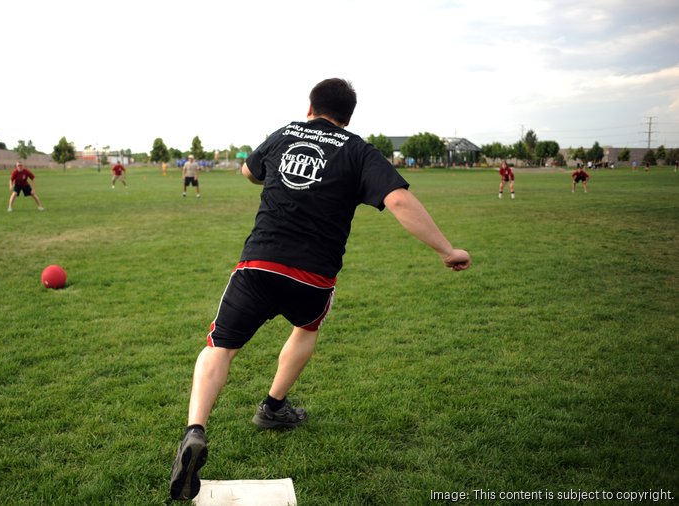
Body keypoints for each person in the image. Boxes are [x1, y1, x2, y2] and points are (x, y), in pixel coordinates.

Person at [168, 78, 472, 501]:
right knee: (306, 328)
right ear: (347, 117)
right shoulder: (358, 150)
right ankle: (274, 407)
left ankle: (195, 430)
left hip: (259, 264)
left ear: (310, 107)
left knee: (220, 347)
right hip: (312, 277)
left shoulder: (285, 133)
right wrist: (446, 250)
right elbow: (399, 201)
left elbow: (249, 171)